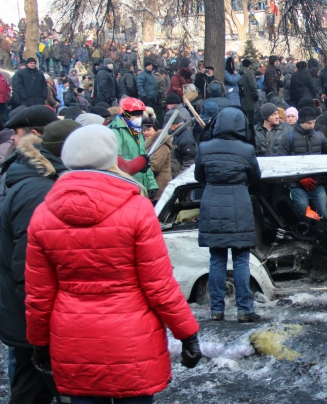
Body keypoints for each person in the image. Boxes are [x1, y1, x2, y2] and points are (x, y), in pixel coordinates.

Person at [25, 125, 201, 403]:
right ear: (112, 158)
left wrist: (38, 343)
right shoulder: (138, 209)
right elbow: (159, 286)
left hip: (73, 339)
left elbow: (39, 296)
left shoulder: (43, 214)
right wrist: (187, 334)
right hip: (132, 338)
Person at [0, 111, 70, 404]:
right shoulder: (41, 188)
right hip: (33, 317)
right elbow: (29, 267)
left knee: (29, 387)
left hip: (28, 315)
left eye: (16, 134)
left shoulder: (34, 177)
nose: (13, 141)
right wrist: (40, 330)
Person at [196, 107, 261, 322]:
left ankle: (216, 310)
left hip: (211, 203)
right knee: (241, 259)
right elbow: (255, 177)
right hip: (239, 204)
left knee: (217, 259)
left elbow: (199, 176)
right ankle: (244, 310)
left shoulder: (204, 148)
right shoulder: (247, 149)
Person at [277, 106, 327, 219]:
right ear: (301, 121)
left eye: (314, 122)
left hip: (316, 183)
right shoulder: (288, 138)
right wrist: (299, 178)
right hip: (297, 185)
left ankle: (325, 234)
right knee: (304, 214)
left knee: (324, 214)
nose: (312, 125)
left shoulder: (318, 136)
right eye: (309, 123)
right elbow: (280, 161)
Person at [109, 97, 159, 195]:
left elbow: (144, 158)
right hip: (125, 187)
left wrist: (151, 184)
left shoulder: (137, 131)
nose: (139, 117)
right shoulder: (115, 132)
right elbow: (115, 162)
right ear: (125, 113)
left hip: (140, 186)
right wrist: (137, 165)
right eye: (135, 114)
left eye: (140, 114)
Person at [142, 117, 172, 202]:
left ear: (155, 130)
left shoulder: (161, 146)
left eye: (148, 130)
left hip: (159, 189)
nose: (146, 133)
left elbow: (154, 167)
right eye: (144, 130)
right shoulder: (149, 145)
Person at [240, 59, 258, 123]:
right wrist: (255, 94)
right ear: (249, 65)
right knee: (250, 116)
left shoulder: (240, 71)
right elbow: (253, 85)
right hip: (249, 97)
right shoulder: (249, 72)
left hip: (241, 97)